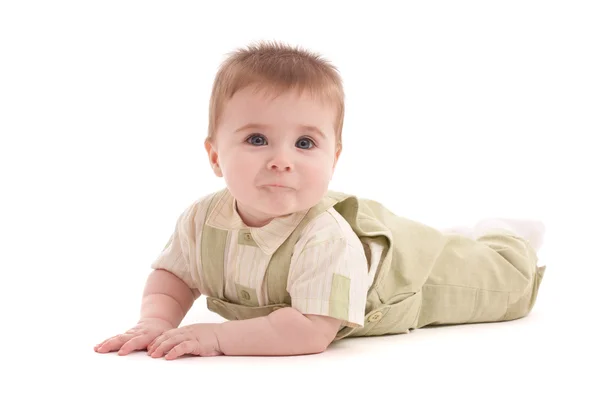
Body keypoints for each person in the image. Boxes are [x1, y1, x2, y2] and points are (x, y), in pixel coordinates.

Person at [94, 41, 546, 360]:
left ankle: (506, 241)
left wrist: (216, 337)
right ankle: (458, 240)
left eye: (305, 144)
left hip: (400, 282)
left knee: (496, 287)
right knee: (443, 246)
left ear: (335, 157)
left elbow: (310, 330)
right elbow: (173, 276)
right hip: (363, 244)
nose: (281, 161)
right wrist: (155, 320)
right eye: (257, 138)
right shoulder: (201, 220)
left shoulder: (324, 238)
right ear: (215, 155)